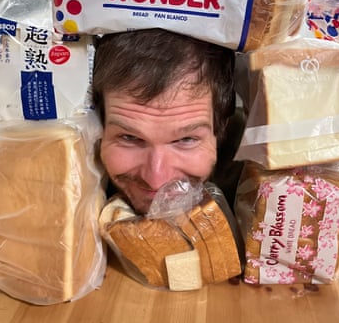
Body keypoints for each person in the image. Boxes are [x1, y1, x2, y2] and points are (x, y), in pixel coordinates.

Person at [92, 27, 243, 215]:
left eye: (186, 140)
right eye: (129, 137)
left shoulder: (251, 177)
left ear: (221, 129)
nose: (156, 180)